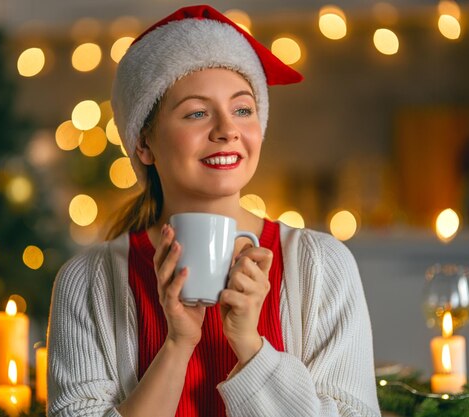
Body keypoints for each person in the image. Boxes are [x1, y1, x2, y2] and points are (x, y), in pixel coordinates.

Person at [47, 5, 381, 417]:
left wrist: (252, 348)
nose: (227, 129)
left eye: (242, 109)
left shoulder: (323, 266)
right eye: (197, 113)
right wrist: (177, 345)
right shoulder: (88, 281)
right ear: (144, 144)